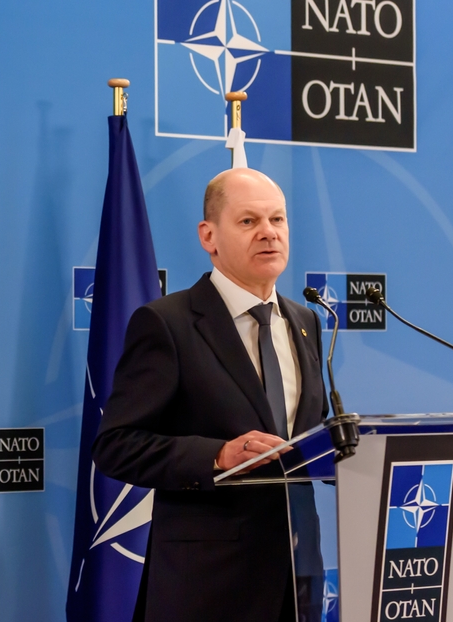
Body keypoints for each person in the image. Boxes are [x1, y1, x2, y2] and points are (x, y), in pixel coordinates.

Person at [92, 167, 328, 622]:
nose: (268, 234)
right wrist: (217, 455)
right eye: (248, 222)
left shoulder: (306, 321)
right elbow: (116, 445)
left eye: (277, 220)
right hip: (207, 582)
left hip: (297, 575)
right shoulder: (168, 323)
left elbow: (305, 435)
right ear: (208, 235)